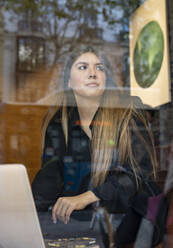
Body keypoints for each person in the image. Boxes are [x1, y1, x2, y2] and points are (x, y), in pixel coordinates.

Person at [32, 45, 158, 225]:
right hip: (79, 224)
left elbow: (140, 173)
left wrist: (89, 196)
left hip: (126, 222)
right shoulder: (58, 121)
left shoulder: (126, 111)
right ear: (68, 81)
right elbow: (50, 178)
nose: (93, 73)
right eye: (83, 67)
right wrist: (25, 208)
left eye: (100, 68)